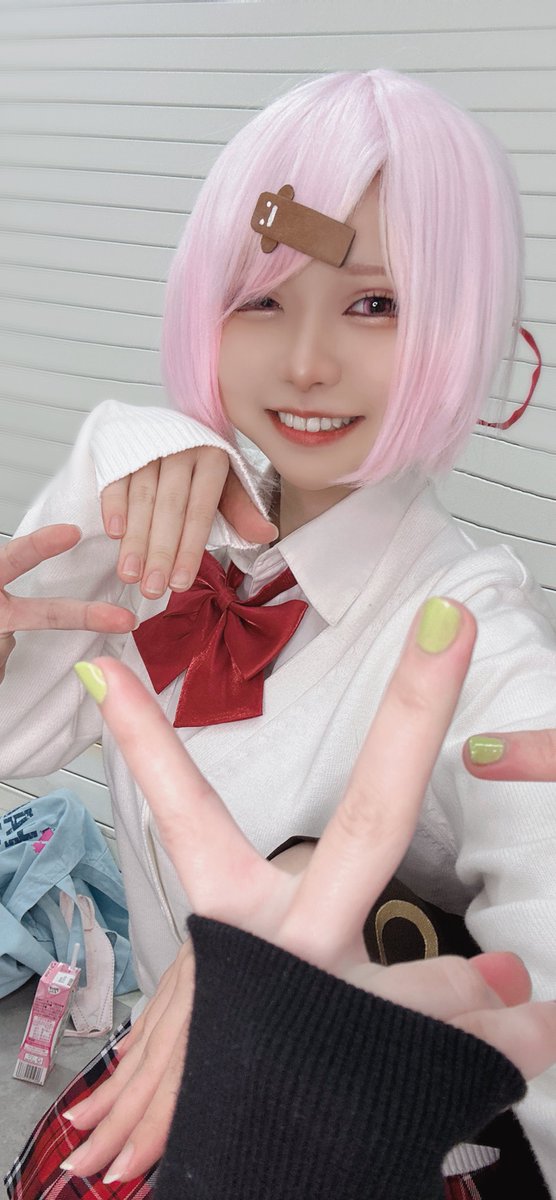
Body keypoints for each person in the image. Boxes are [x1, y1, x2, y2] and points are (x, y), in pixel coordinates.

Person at [1, 68, 556, 1196]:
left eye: (374, 304)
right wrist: (106, 449)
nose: (304, 362)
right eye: (260, 299)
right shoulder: (166, 541)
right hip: (153, 1085)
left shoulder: (473, 639)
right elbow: (17, 737)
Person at [30, 604, 556, 1200]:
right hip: (160, 1061)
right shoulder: (151, 584)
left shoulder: (500, 650)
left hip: (342, 1130)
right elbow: (20, 734)